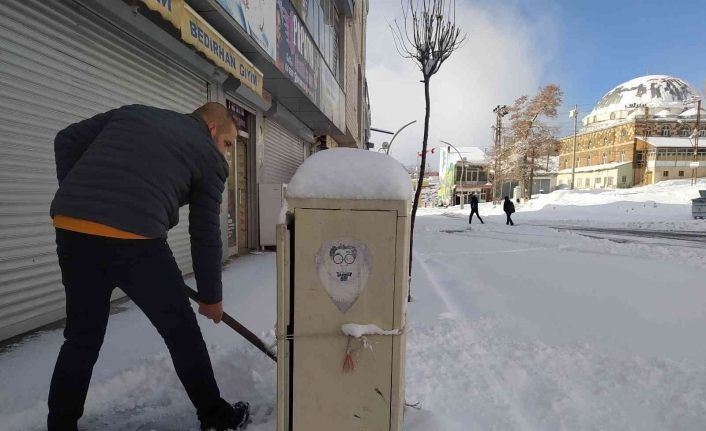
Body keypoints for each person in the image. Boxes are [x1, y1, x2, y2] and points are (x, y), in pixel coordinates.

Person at [48, 103, 250, 431]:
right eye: (228, 143)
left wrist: (83, 199)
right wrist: (211, 296)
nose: (226, 154)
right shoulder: (209, 157)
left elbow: (66, 140)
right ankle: (216, 418)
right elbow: (204, 232)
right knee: (181, 332)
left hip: (72, 228)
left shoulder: (134, 113)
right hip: (136, 241)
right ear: (212, 128)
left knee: (82, 337)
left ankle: (60, 425)